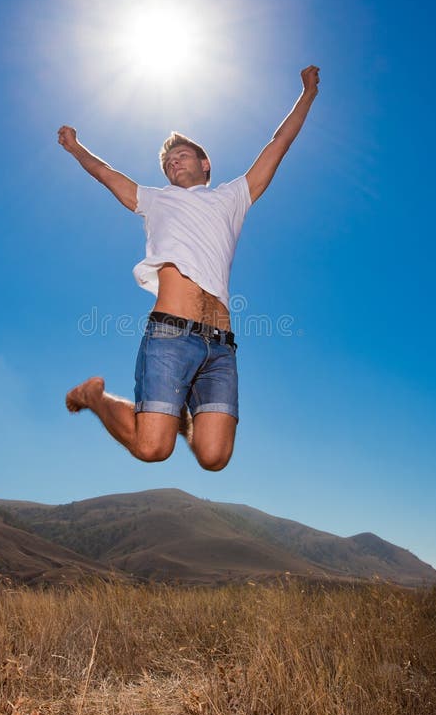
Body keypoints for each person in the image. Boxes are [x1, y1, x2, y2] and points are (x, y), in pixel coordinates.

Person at [58, 65, 320, 471]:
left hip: (221, 347)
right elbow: (107, 175)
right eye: (167, 162)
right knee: (152, 449)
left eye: (182, 156)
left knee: (214, 457)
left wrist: (307, 95)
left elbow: (279, 143)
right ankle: (95, 395)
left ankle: (173, 407)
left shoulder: (234, 197)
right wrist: (76, 148)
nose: (173, 163)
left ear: (205, 164)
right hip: (171, 335)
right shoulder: (154, 200)